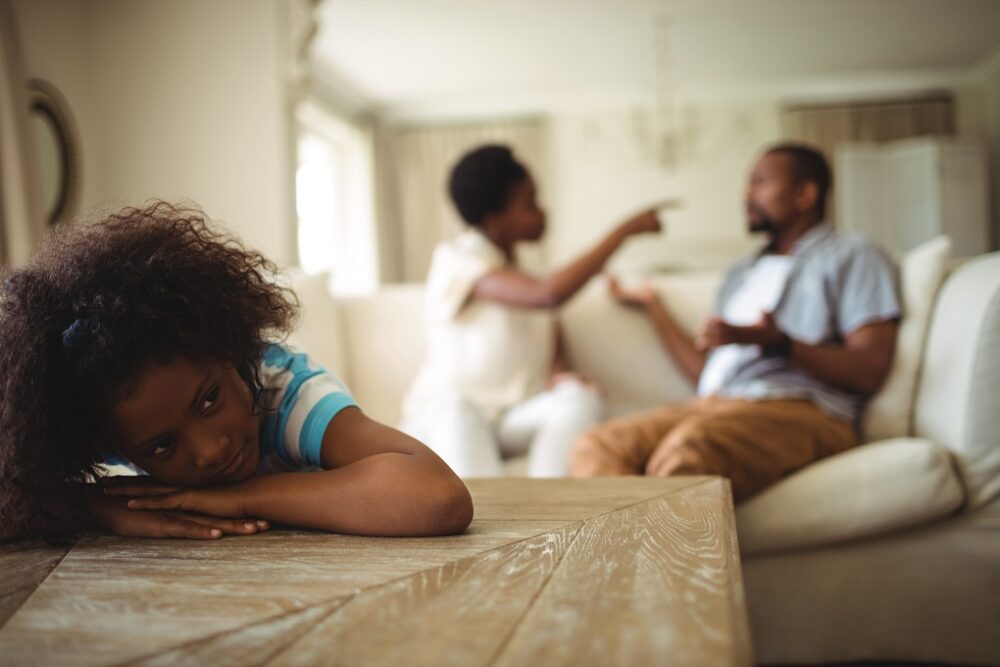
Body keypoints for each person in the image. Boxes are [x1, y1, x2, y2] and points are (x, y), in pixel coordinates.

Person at [0, 201, 473, 542]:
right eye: (162, 446)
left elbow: (438, 496)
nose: (209, 451)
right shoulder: (101, 414)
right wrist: (98, 510)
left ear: (234, 349)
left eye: (209, 400)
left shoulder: (283, 394)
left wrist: (245, 496)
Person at [572, 143, 902, 502]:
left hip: (802, 409)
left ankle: (646, 554)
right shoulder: (742, 273)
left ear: (805, 193)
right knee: (597, 445)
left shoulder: (853, 255)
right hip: (716, 403)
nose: (746, 194)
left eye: (760, 182)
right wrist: (653, 305)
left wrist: (780, 343)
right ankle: (627, 557)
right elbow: (705, 374)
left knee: (690, 451)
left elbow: (870, 368)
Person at [400, 144, 661, 477]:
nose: (543, 212)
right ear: (493, 219)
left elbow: (550, 344)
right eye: (529, 204)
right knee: (457, 408)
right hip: (452, 414)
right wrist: (624, 232)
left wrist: (564, 374)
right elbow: (547, 295)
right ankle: (494, 518)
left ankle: (547, 513)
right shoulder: (457, 260)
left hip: (512, 418)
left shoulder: (525, 275)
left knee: (580, 397)